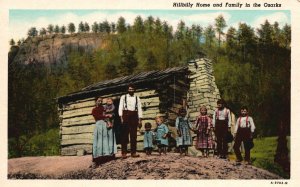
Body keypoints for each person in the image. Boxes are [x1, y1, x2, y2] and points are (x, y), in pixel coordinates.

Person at [91, 97, 117, 168]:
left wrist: (110, 116)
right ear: (95, 101)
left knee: (105, 140)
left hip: (105, 125)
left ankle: (106, 156)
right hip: (99, 125)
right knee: (98, 140)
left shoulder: (104, 108)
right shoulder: (94, 109)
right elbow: (97, 116)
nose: (100, 102)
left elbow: (111, 112)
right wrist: (105, 116)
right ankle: (96, 158)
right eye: (98, 101)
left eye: (101, 101)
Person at [118, 84, 143, 158]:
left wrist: (140, 119)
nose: (131, 90)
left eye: (132, 89)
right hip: (126, 115)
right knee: (125, 135)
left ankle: (133, 152)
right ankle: (124, 153)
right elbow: (120, 107)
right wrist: (121, 117)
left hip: (134, 116)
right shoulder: (123, 97)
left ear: (134, 90)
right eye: (130, 89)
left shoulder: (137, 98)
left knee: (133, 135)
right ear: (127, 90)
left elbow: (139, 108)